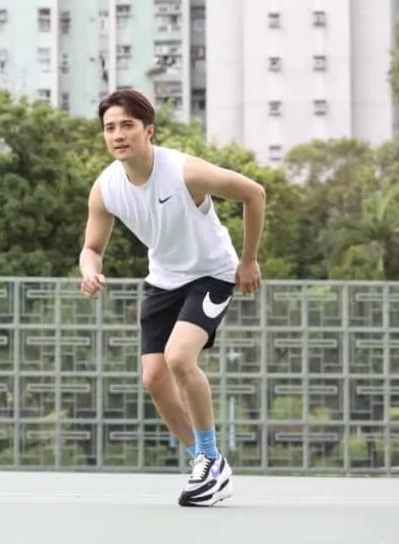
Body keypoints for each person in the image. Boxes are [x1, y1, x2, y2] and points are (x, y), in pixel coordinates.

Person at [77, 89, 265, 507]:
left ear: (148, 130)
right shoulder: (106, 188)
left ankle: (211, 459)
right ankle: (204, 460)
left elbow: (254, 193)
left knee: (179, 357)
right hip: (163, 279)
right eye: (110, 128)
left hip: (212, 273)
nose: (118, 134)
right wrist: (90, 272)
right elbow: (91, 248)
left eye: (127, 125)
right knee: (154, 378)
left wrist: (249, 260)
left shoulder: (184, 171)